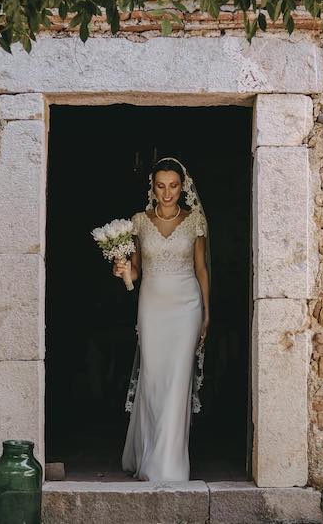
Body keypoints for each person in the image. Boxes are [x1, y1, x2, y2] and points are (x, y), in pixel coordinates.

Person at [114, 157, 210, 482]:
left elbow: (201, 269)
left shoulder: (194, 219)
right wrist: (124, 269)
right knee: (154, 380)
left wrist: (207, 313)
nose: (167, 193)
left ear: (182, 187)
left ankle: (168, 464)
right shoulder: (139, 222)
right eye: (160, 186)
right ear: (152, 187)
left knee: (177, 381)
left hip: (187, 306)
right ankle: (146, 451)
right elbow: (137, 271)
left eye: (173, 186)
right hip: (152, 305)